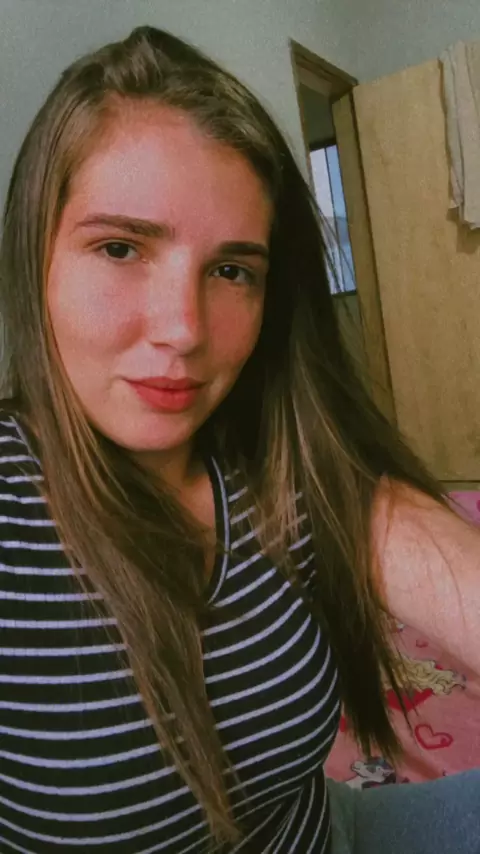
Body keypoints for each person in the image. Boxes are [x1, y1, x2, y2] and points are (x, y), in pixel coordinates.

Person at [0, 24, 478, 854]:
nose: (184, 330)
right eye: (121, 247)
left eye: (231, 271)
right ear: (33, 257)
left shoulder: (277, 458)